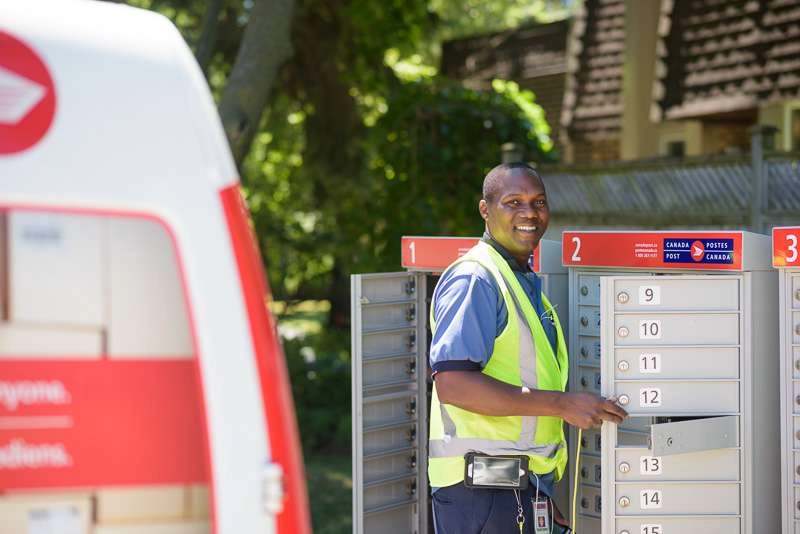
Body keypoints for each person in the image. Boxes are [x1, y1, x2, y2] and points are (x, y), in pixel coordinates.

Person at [428, 162, 627, 534]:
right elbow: (453, 384)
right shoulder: (477, 279)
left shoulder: (520, 282)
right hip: (481, 492)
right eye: (513, 202)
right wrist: (563, 403)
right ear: (485, 210)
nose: (529, 214)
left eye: (538, 202)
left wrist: (536, 491)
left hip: (511, 488)